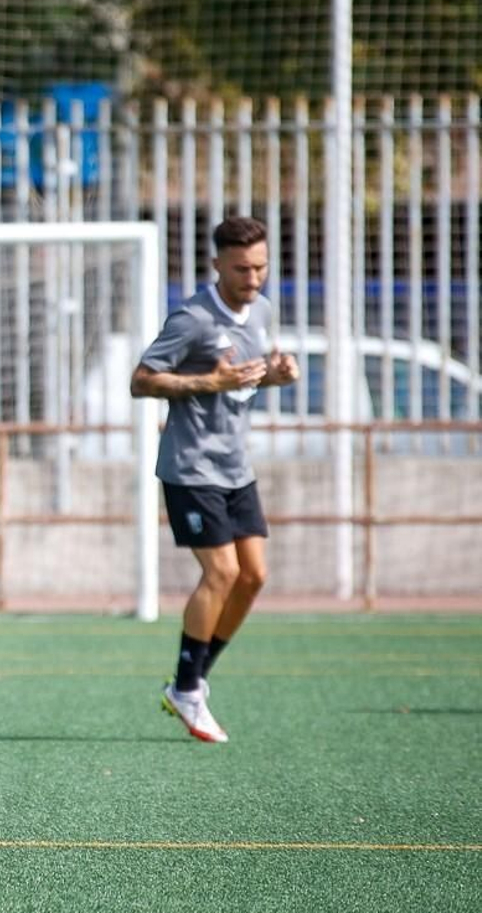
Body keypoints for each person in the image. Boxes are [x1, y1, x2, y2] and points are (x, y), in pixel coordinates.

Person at [130, 216, 300, 743]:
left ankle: (194, 681)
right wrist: (209, 380)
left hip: (234, 466)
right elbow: (141, 381)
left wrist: (274, 376)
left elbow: (245, 381)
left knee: (253, 577)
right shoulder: (193, 319)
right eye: (242, 268)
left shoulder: (263, 309)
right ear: (218, 265)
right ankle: (185, 687)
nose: (253, 278)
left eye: (261, 267)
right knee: (221, 573)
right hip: (190, 466)